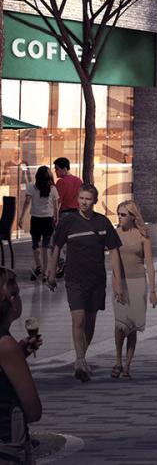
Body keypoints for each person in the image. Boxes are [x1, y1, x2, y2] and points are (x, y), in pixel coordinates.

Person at [48, 184, 127, 382]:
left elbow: (115, 252)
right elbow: (56, 247)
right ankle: (80, 359)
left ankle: (81, 357)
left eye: (87, 199)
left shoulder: (102, 222)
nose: (84, 202)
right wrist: (51, 271)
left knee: (90, 322)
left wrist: (117, 281)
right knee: (79, 319)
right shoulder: (68, 222)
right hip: (74, 279)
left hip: (97, 279)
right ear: (77, 199)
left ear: (95, 201)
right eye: (81, 198)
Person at [0, 267, 44, 463]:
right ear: (10, 300)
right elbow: (34, 410)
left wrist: (20, 354)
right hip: (7, 446)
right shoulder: (6, 346)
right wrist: (16, 356)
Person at [111, 201, 157, 380]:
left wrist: (153, 290)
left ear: (132, 216)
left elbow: (150, 264)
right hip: (119, 282)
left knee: (132, 326)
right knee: (119, 324)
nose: (120, 218)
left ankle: (127, 366)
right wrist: (116, 283)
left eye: (123, 215)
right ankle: (117, 359)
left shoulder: (142, 235)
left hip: (138, 283)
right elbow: (112, 262)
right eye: (118, 214)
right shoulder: (114, 235)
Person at [20, 165, 58, 281]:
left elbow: (26, 202)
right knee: (46, 248)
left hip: (36, 220)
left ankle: (39, 267)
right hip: (48, 220)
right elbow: (56, 206)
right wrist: (56, 218)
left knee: (35, 245)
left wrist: (21, 217)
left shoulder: (32, 187)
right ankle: (45, 274)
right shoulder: (53, 189)